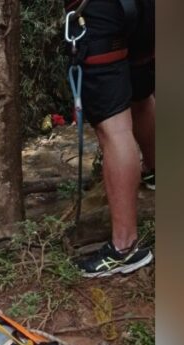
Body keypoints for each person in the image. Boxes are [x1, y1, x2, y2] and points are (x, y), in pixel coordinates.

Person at [69, 0, 156, 278]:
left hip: (101, 12)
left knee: (114, 129)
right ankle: (154, 170)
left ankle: (124, 246)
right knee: (140, 94)